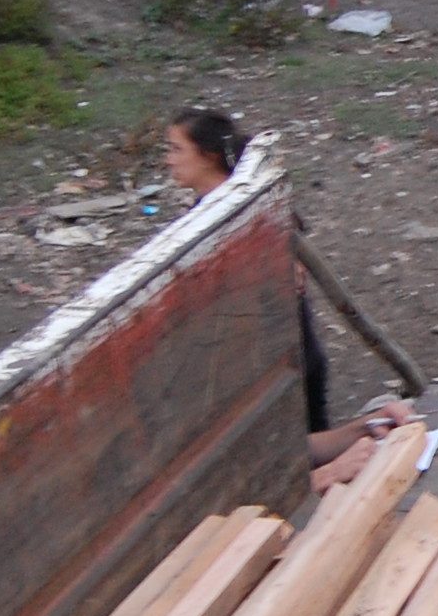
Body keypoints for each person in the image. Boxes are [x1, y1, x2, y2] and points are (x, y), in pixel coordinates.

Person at [162, 107, 413, 490]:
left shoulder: (239, 220)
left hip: (281, 363)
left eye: (176, 149)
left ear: (208, 156)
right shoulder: (235, 213)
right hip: (278, 363)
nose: (169, 160)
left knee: (298, 469)